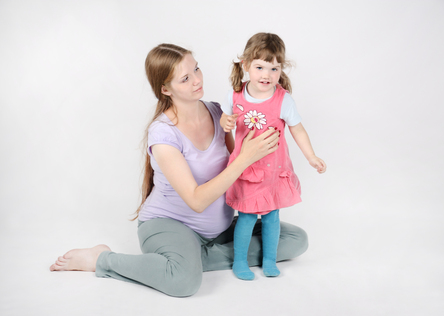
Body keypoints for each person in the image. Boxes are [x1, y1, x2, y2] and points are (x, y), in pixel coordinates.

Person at [49, 43, 308, 297]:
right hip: (170, 225)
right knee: (184, 282)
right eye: (185, 78)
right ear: (165, 89)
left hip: (219, 230)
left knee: (295, 240)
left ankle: (192, 258)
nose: (196, 80)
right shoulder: (163, 134)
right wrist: (245, 159)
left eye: (196, 69)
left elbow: (242, 159)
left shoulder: (218, 112)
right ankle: (103, 259)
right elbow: (197, 200)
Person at [220, 33, 326, 281]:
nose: (266, 75)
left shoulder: (283, 100)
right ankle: (239, 261)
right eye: (259, 67)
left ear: (281, 69)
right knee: (246, 216)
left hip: (272, 170)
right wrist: (226, 122)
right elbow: (225, 119)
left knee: (271, 216)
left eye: (273, 68)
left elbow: (297, 129)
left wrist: (311, 156)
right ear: (245, 65)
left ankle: (269, 259)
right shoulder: (234, 96)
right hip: (246, 169)